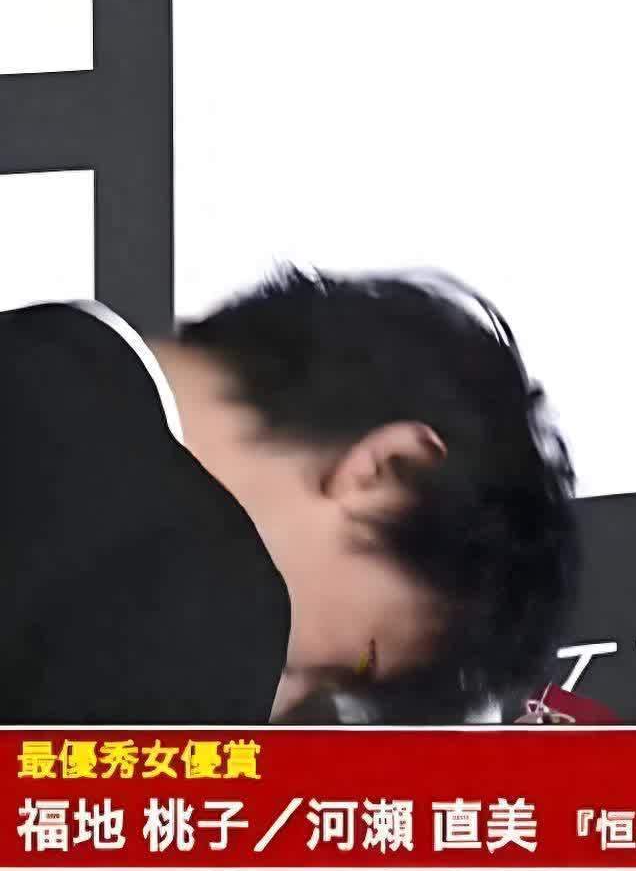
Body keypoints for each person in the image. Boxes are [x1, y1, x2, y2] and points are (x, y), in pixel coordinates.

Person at [0, 269, 579, 724]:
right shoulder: (197, 630)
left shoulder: (46, 345)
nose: (281, 704)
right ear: (389, 472)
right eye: (356, 661)